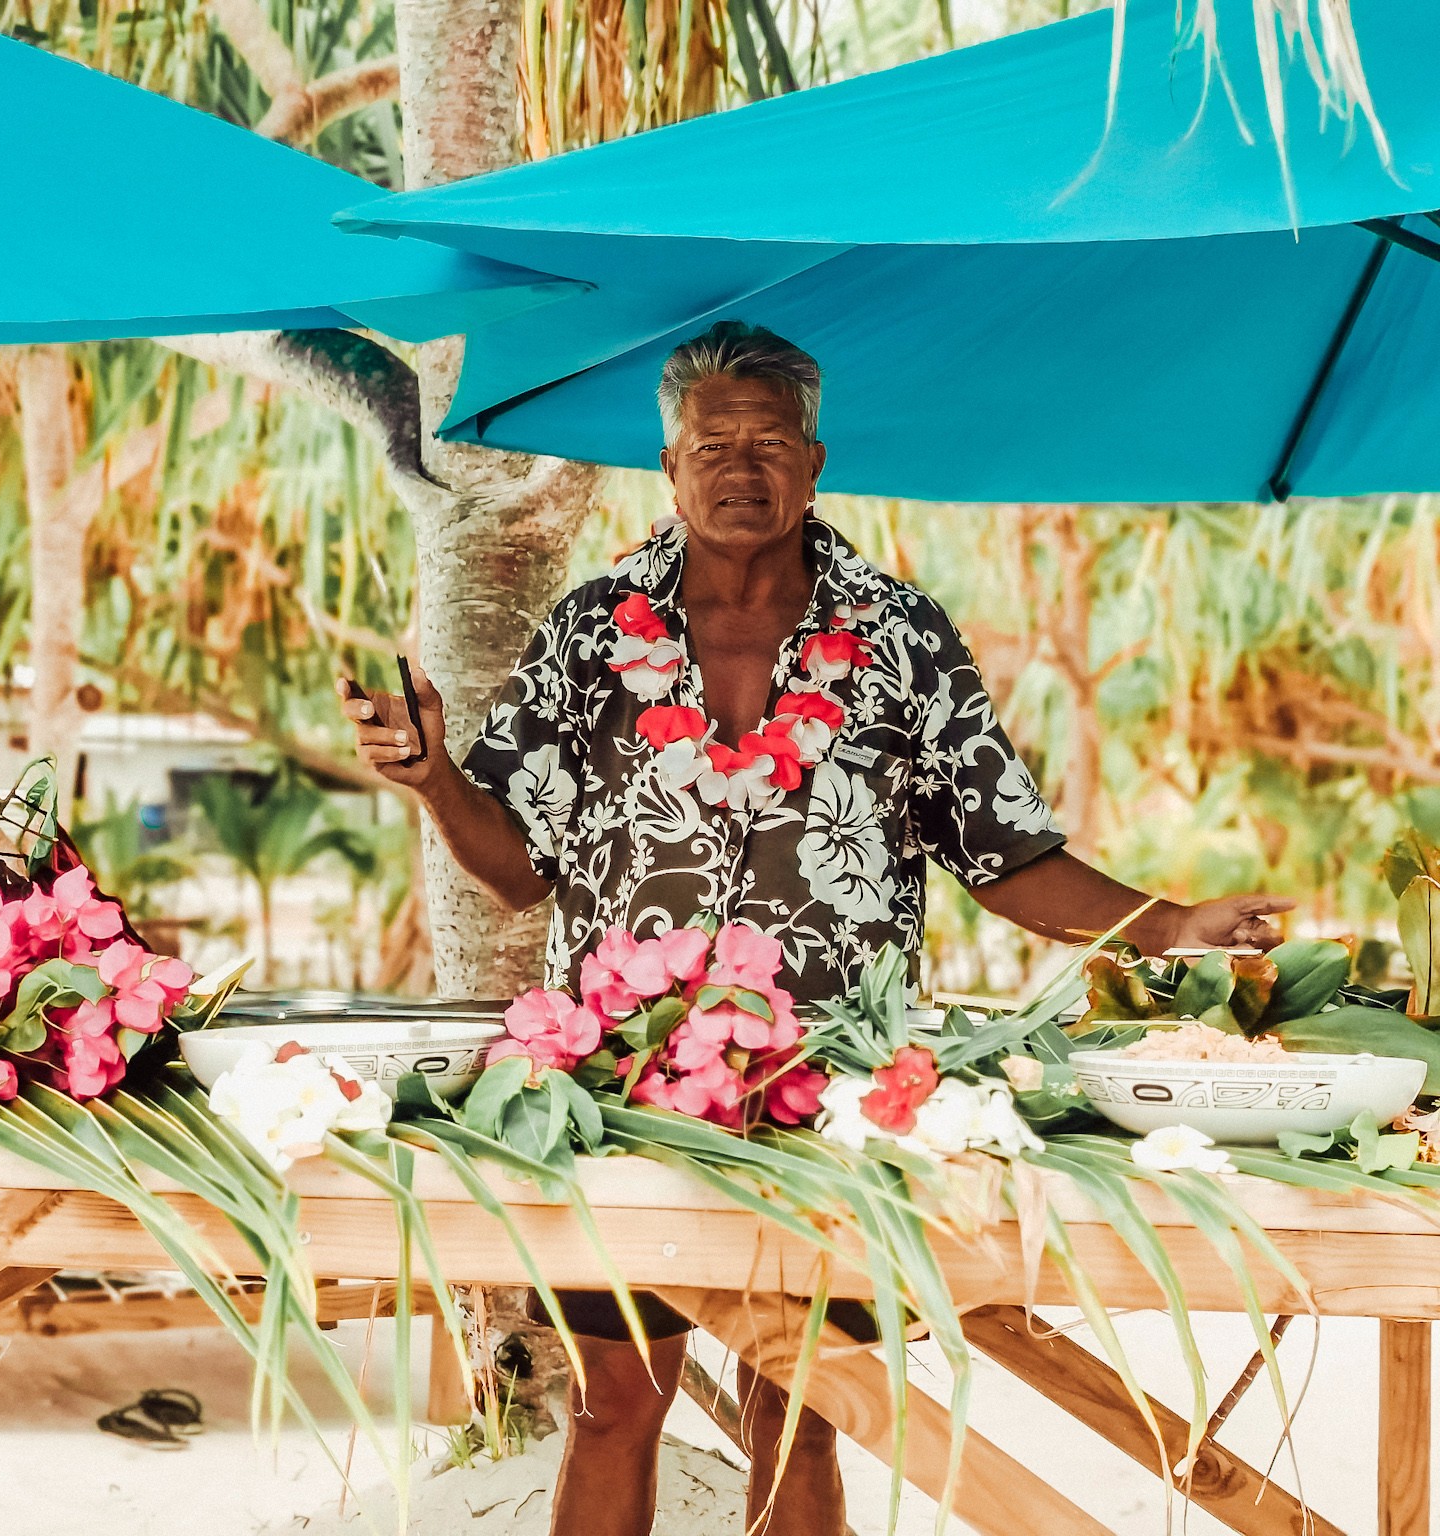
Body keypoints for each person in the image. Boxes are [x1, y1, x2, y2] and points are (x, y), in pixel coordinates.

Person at [337, 322, 1289, 1536]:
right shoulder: (588, 631)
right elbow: (518, 870)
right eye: (711, 444)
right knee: (616, 1404)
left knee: (807, 1405)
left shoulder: (900, 635)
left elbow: (1003, 857)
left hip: (835, 1081)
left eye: (768, 443)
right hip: (619, 1084)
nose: (741, 467)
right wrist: (432, 782)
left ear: (815, 459)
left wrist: (1172, 925)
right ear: (670, 466)